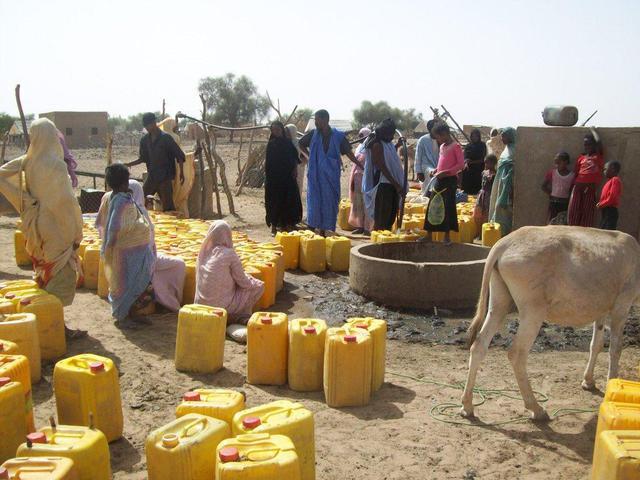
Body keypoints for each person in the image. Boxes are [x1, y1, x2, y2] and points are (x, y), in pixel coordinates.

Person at [0, 118, 83, 312]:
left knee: (45, 267)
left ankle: (47, 321)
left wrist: (26, 202)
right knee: (61, 272)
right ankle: (54, 322)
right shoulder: (57, 165)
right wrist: (77, 232)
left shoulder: (26, 161)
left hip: (36, 224)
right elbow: (66, 203)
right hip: (58, 225)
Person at [96, 177, 186, 312]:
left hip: (120, 256)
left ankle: (159, 300)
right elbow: (143, 239)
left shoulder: (115, 206)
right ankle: (167, 301)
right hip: (138, 257)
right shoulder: (135, 211)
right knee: (177, 265)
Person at [194, 220, 264, 343]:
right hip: (221, 307)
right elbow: (243, 282)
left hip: (200, 305)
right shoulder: (229, 254)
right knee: (258, 286)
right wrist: (253, 280)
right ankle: (234, 317)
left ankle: (232, 317)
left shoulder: (203, 253)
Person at [101, 164, 155, 321]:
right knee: (127, 284)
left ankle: (133, 313)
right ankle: (122, 315)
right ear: (124, 183)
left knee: (138, 283)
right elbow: (116, 226)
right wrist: (110, 245)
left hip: (134, 251)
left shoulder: (120, 198)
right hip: (127, 251)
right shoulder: (121, 201)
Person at [298, 109, 361, 235]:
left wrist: (359, 164)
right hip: (315, 176)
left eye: (317, 120)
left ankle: (326, 229)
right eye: (315, 120)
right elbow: (300, 143)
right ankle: (313, 227)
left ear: (325, 120)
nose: (315, 123)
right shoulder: (313, 134)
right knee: (314, 201)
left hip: (331, 176)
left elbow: (348, 152)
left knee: (330, 201)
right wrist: (310, 157)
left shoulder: (338, 136)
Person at [126, 112, 186, 212]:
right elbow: (142, 158)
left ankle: (172, 225)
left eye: (149, 125)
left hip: (165, 177)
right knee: (139, 200)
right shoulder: (145, 140)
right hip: (152, 176)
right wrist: (128, 164)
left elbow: (179, 156)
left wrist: (182, 173)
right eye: (145, 126)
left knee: (168, 207)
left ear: (154, 123)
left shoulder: (166, 138)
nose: (147, 128)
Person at [422, 122, 465, 245]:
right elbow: (442, 163)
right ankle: (429, 234)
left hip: (449, 181)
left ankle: (447, 236)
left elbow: (460, 165)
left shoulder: (455, 146)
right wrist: (436, 171)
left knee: (447, 207)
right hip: (439, 179)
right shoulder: (442, 147)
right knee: (432, 206)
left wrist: (446, 172)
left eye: (439, 137)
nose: (438, 140)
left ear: (445, 134)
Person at [362, 119, 406, 231]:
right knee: (382, 217)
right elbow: (383, 167)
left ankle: (385, 239)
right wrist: (396, 184)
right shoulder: (377, 145)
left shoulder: (387, 143)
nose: (392, 136)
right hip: (383, 185)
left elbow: (388, 155)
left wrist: (397, 145)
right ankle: (378, 242)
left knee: (390, 216)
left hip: (390, 185)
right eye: (390, 133)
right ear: (385, 133)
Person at [265, 121, 302, 235]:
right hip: (274, 178)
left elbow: (295, 158)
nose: (276, 132)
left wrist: (295, 169)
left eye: (278, 129)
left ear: (282, 130)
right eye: (274, 130)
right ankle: (274, 226)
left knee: (289, 199)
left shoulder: (288, 143)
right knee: (275, 201)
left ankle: (288, 224)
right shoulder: (271, 144)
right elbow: (268, 162)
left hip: (287, 177)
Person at [568, 129, 604, 227]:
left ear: (594, 145)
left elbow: (599, 142)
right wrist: (571, 187)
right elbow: (576, 173)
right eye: (585, 144)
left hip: (590, 188)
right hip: (578, 187)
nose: (587, 146)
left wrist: (593, 130)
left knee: (587, 212)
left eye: (589, 144)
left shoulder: (598, 156)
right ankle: (573, 231)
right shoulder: (581, 158)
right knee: (574, 211)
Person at [489, 127, 516, 235]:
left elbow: (512, 170)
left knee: (504, 209)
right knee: (497, 206)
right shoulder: (507, 149)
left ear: (511, 136)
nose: (502, 138)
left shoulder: (515, 150)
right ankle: (496, 234)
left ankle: (504, 234)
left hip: (507, 187)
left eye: (504, 136)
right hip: (500, 183)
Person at [348, 127, 373, 234]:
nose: (360, 138)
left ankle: (368, 228)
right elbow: (354, 166)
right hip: (357, 180)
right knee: (358, 203)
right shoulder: (359, 148)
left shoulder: (371, 148)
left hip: (367, 180)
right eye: (360, 135)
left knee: (367, 203)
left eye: (362, 136)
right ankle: (359, 226)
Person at [541, 151, 575, 224]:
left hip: (565, 204)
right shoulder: (552, 173)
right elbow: (543, 186)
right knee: (551, 223)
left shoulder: (572, 176)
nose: (556, 165)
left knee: (562, 223)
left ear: (566, 162)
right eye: (555, 163)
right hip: (553, 203)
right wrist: (551, 194)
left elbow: (572, 190)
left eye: (559, 163)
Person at [473, 154, 497, 234]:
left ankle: (484, 232)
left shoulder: (495, 175)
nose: (486, 165)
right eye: (485, 163)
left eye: (488, 163)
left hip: (489, 195)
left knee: (486, 212)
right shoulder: (484, 172)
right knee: (478, 210)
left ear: (494, 163)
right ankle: (477, 231)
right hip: (482, 194)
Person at [414, 120, 439, 196]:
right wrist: (418, 172)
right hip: (426, 166)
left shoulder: (441, 139)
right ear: (430, 129)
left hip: (438, 165)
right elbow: (418, 156)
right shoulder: (423, 140)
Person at [597, 161, 622, 230]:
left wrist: (601, 204)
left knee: (608, 233)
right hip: (606, 210)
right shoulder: (610, 181)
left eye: (605, 169)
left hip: (610, 211)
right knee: (603, 231)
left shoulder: (615, 180)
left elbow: (612, 198)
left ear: (613, 169)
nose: (604, 171)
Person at [461, 129, 487, 195]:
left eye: (476, 136)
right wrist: (466, 162)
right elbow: (465, 156)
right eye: (473, 136)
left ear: (479, 137)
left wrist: (472, 162)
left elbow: (482, 159)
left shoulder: (482, 145)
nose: (474, 138)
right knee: (467, 189)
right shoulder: (468, 146)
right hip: (468, 170)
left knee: (476, 189)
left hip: (478, 169)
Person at [286, 124, 306, 196]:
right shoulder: (284, 142)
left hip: (297, 168)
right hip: (286, 168)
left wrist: (300, 164)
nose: (286, 133)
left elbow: (304, 156)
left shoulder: (299, 142)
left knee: (297, 187)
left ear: (292, 132)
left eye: (288, 132)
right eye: (285, 131)